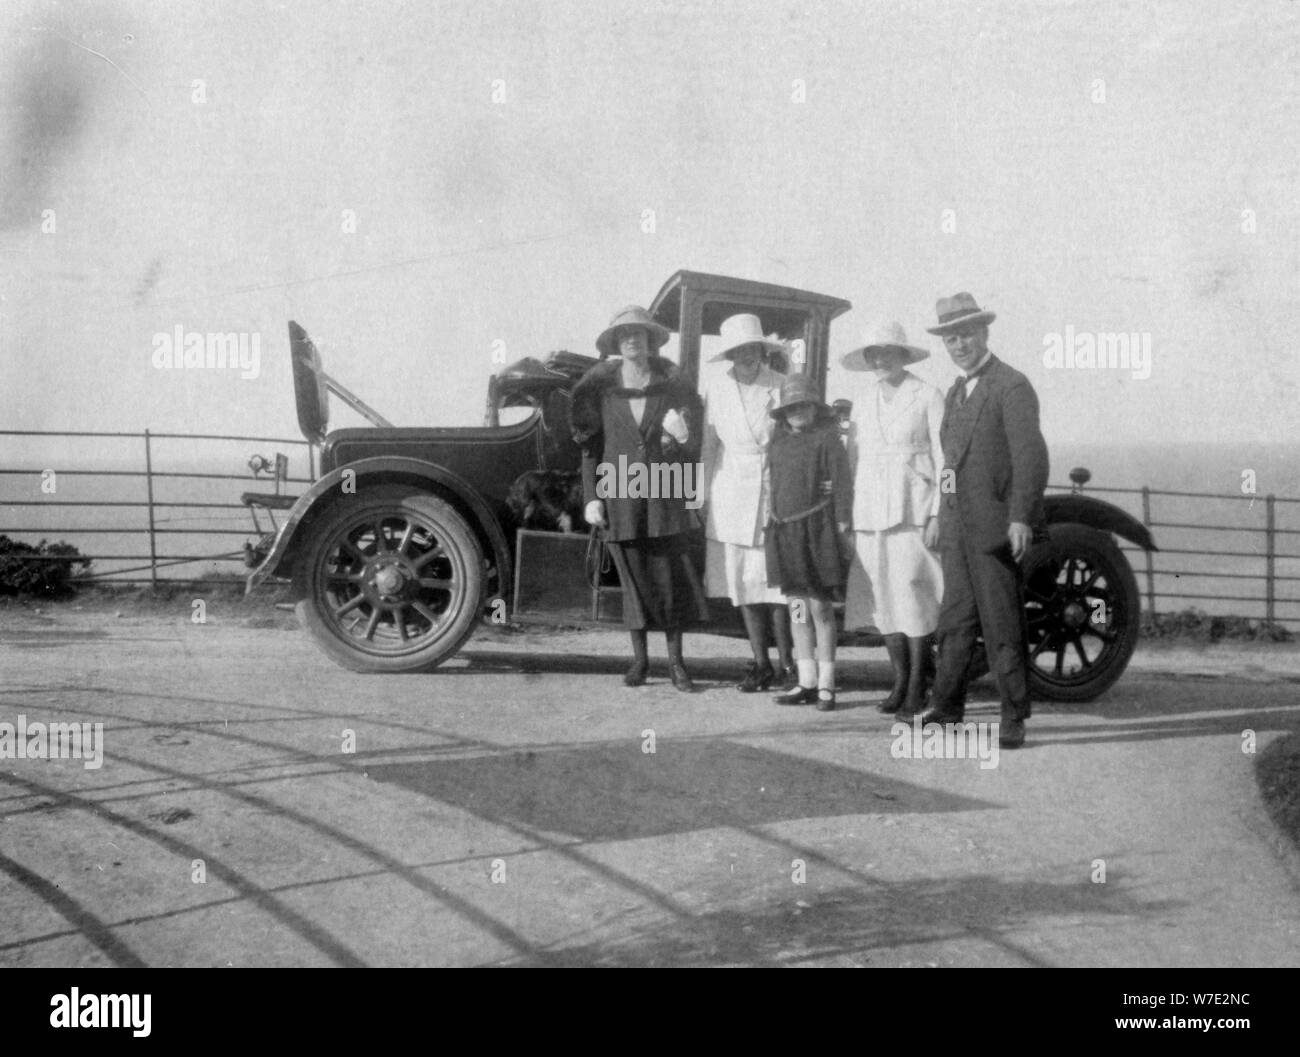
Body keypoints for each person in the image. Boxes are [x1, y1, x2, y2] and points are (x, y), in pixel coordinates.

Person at [922, 293, 1049, 748]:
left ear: (985, 333)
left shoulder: (1011, 385)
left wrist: (1020, 518)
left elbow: (1030, 458)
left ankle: (1014, 716)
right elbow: (949, 466)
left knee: (1001, 623)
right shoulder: (956, 391)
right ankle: (946, 707)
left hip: (994, 528)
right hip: (956, 528)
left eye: (967, 335)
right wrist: (940, 513)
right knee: (954, 620)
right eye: (951, 338)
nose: (959, 344)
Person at [571, 305, 710, 692]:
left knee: (669, 581)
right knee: (633, 581)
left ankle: (677, 665)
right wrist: (592, 497)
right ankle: (641, 662)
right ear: (617, 343)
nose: (633, 340)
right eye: (625, 335)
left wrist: (683, 435)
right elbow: (590, 449)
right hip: (620, 493)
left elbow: (694, 447)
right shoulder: (601, 391)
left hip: (665, 494)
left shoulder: (674, 388)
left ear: (651, 341)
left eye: (640, 334)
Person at [841, 321, 945, 718]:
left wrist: (938, 511)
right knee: (882, 599)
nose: (880, 360)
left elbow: (945, 459)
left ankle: (920, 681)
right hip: (870, 511)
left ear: (903, 355)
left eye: (887, 352)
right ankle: (900, 678)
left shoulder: (927, 395)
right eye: (873, 354)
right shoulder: (863, 401)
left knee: (913, 595)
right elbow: (853, 460)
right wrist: (849, 516)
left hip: (912, 509)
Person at [701, 313, 795, 692]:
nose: (746, 355)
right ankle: (761, 663)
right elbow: (709, 446)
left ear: (762, 350)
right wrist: (698, 494)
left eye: (752, 348)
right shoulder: (716, 388)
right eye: (738, 350)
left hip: (774, 487)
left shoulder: (782, 385)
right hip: (730, 489)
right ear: (730, 354)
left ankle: (789, 664)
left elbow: (792, 442)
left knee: (777, 585)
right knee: (742, 583)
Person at [765, 375, 853, 712]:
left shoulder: (828, 441)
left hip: (817, 533)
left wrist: (843, 520)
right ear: (783, 413)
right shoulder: (778, 444)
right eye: (791, 407)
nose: (797, 412)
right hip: (786, 534)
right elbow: (772, 486)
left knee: (820, 607)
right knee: (797, 608)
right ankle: (806, 680)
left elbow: (843, 484)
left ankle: (828, 684)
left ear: (815, 408)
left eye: (803, 405)